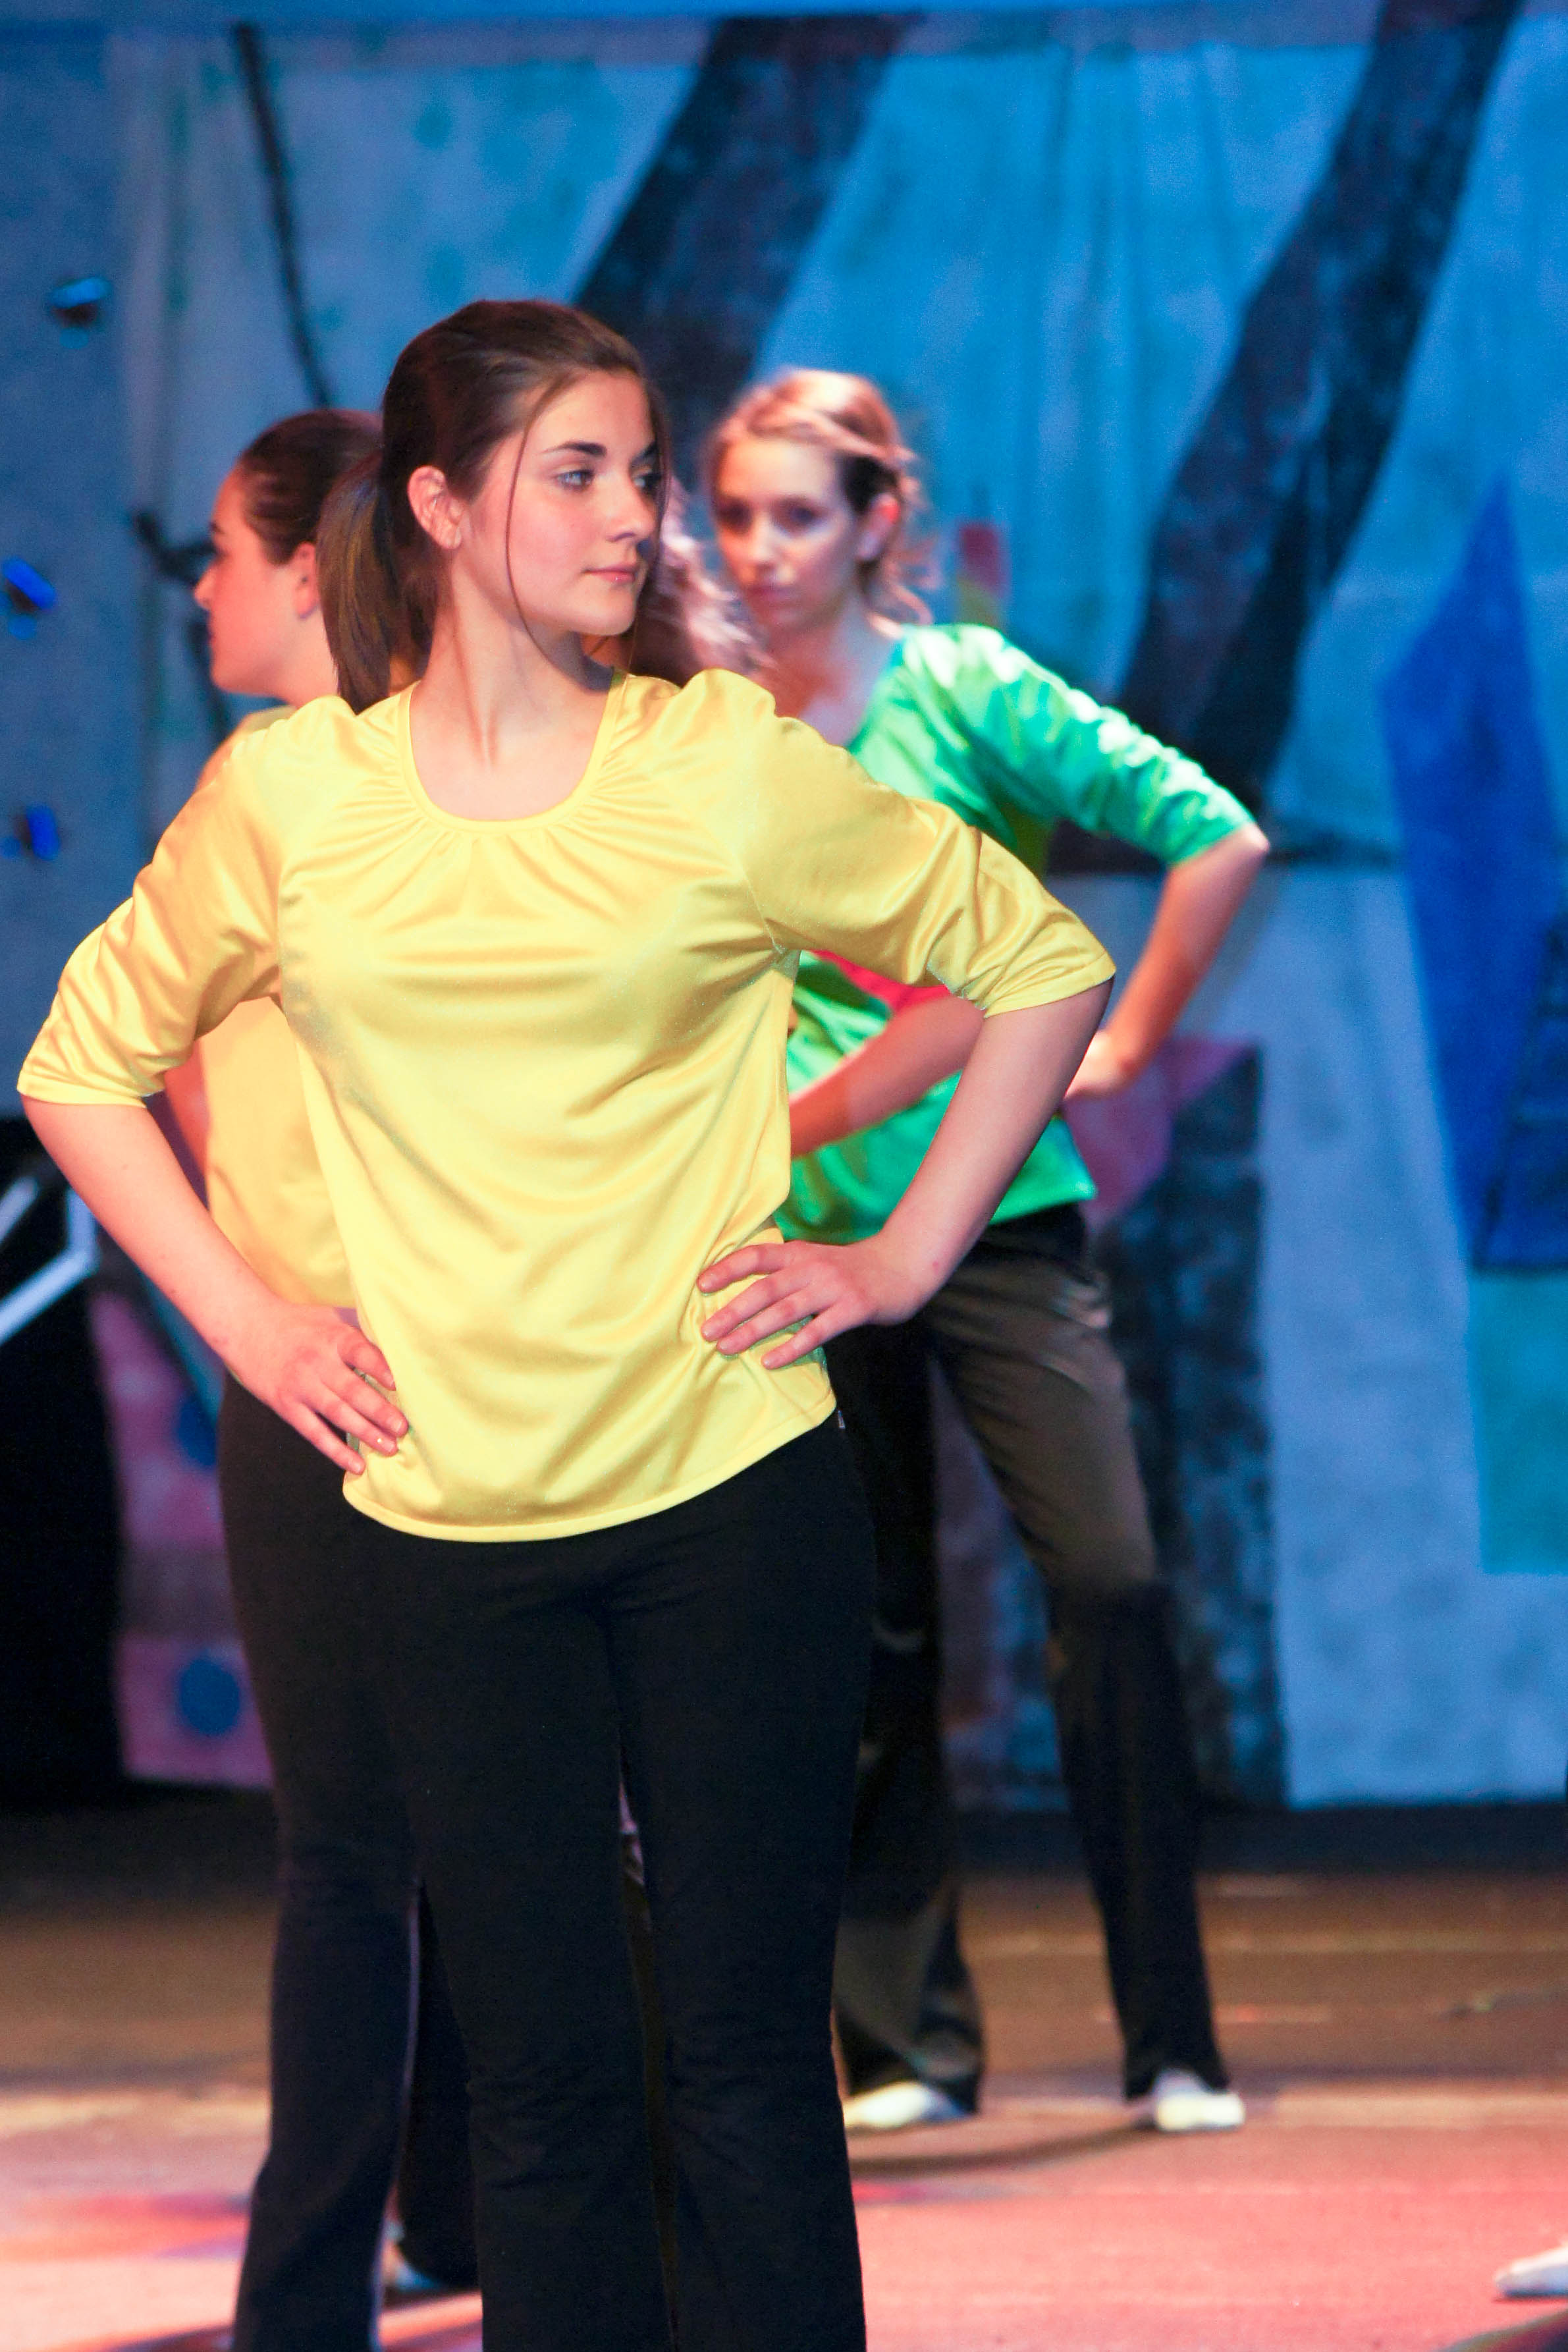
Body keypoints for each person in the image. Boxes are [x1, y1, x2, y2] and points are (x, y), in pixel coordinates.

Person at [21, 298, 1114, 2352]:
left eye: (642, 468)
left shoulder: (716, 764)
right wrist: (255, 1325)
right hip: (447, 1527)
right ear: (441, 509)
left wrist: (894, 1262)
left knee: (750, 2078)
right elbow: (80, 1066)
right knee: (542, 2101)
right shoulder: (294, 798)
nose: (635, 514)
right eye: (580, 471)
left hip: (732, 1500)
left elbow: (1037, 961)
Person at [706, 368, 1270, 2136]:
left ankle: (1171, 2038)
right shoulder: (703, 729)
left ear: (880, 522)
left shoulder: (960, 687)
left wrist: (1128, 1036)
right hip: (799, 1239)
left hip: (996, 1209)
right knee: (859, 1633)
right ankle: (903, 2045)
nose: (761, 549)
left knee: (1109, 1581)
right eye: (735, 515)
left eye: (800, 514)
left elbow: (1213, 834)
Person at [167, 407, 482, 2341]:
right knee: (456, 1831)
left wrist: (259, 1298)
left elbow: (117, 1053)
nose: (200, 587)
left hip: (343, 1371)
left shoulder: (287, 780)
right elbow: (161, 1053)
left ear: (307, 569)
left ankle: (308, 2299)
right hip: (394, 1354)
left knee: (362, 1849)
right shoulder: (437, 764)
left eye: (219, 550)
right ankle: (455, 2220)